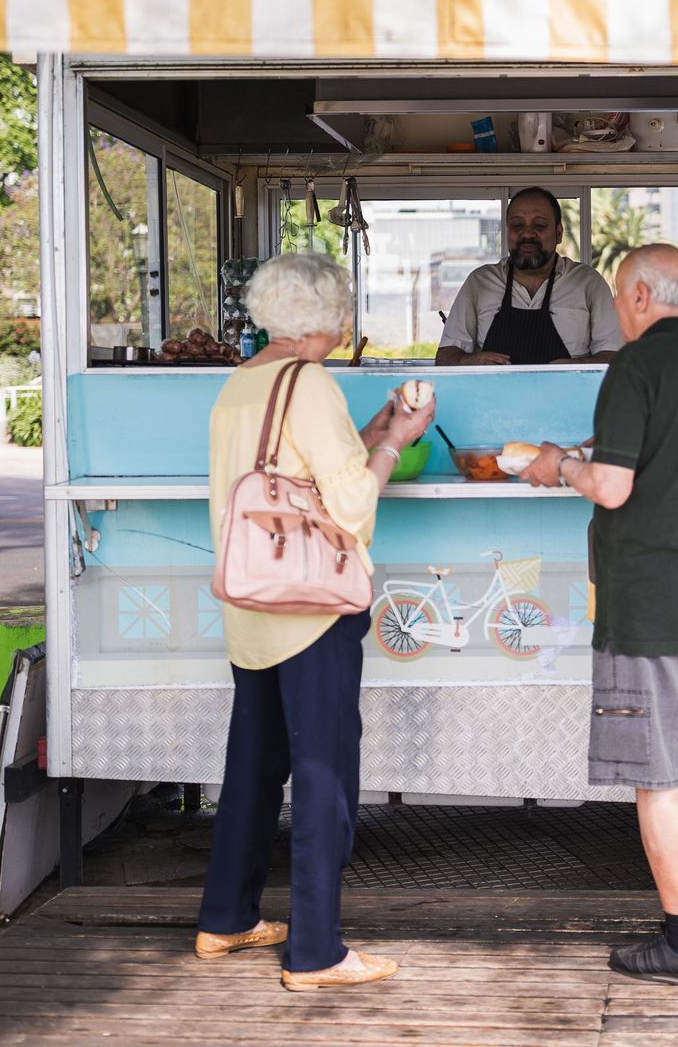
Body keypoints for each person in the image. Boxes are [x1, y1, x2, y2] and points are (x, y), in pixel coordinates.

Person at [195, 253, 434, 993]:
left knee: (254, 766)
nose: (345, 327)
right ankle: (316, 952)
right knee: (324, 770)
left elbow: (291, 472)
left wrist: (370, 428)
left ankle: (226, 917)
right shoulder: (309, 383)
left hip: (249, 605)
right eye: (341, 313)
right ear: (322, 319)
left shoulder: (241, 386)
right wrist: (402, 436)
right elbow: (352, 503)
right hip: (308, 613)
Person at [521, 244, 678, 987]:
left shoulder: (634, 368)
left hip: (647, 604)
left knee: (657, 777)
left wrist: (555, 466)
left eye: (621, 300)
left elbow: (615, 489)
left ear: (642, 296)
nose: (617, 313)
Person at [435, 187, 622, 366]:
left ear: (559, 233)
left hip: (568, 397)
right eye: (517, 225)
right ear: (507, 232)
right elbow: (445, 357)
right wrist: (471, 361)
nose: (527, 234)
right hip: (493, 398)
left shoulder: (588, 282)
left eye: (539, 225)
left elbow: (616, 357)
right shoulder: (480, 282)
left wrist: (574, 367)